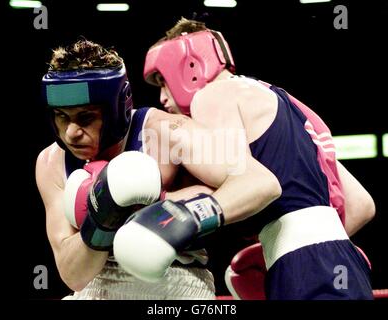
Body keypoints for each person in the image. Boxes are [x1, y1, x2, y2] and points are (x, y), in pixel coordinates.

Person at [141, 18, 376, 299]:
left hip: (304, 267)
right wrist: (278, 248)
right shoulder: (283, 102)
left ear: (188, 66)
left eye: (163, 82)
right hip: (341, 261)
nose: (162, 98)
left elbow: (239, 186)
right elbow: (361, 205)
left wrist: (160, 206)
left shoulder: (213, 96)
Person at [36, 39, 280, 299]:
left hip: (177, 282)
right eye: (61, 116)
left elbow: (260, 182)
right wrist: (102, 217)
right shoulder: (51, 162)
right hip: (95, 287)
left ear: (117, 108)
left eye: (86, 117)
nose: (71, 133)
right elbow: (73, 275)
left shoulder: (166, 132)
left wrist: (179, 214)